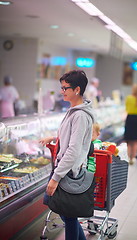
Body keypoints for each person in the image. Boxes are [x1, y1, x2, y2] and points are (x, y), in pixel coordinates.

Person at [40, 70, 94, 240]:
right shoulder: (74, 111)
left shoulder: (79, 115)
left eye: (65, 88)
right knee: (67, 216)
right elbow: (72, 138)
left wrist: (55, 178)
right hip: (65, 168)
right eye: (61, 88)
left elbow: (73, 150)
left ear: (77, 89)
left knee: (68, 216)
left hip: (69, 171)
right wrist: (56, 137)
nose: (62, 91)